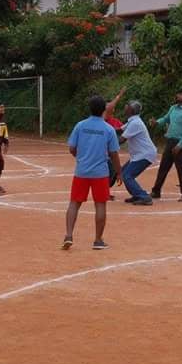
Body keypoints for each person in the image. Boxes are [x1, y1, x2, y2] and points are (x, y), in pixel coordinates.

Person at [62, 95, 122, 250]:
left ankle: (68, 235)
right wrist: (119, 172)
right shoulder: (108, 129)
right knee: (100, 205)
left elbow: (72, 148)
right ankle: (98, 240)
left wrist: (80, 157)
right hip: (100, 173)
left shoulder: (80, 125)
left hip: (81, 171)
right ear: (104, 110)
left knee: (74, 203)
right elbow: (114, 154)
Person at [149, 89, 182, 202]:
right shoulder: (173, 108)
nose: (177, 95)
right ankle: (156, 191)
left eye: (181, 94)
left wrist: (180, 145)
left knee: (181, 169)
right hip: (170, 141)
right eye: (177, 93)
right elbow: (165, 119)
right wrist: (157, 122)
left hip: (180, 143)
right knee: (163, 167)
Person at [120, 100, 157, 206]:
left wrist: (107, 144)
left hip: (144, 154)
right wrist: (106, 131)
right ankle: (137, 195)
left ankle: (144, 197)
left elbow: (122, 139)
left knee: (127, 175)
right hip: (139, 154)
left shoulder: (135, 123)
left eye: (126, 107)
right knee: (124, 173)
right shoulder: (132, 121)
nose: (124, 108)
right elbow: (119, 130)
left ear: (131, 110)